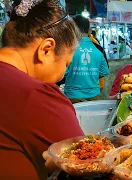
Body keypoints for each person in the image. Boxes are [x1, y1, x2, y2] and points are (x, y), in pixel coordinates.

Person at [0, 0, 84, 179]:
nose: (64, 73)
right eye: (66, 64)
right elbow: (86, 163)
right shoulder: (35, 95)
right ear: (46, 49)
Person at [64, 15, 109, 103]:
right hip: (94, 96)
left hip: (72, 97)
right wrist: (90, 75)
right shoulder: (98, 48)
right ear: (89, 30)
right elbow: (104, 71)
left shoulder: (68, 48)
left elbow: (63, 72)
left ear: (72, 29)